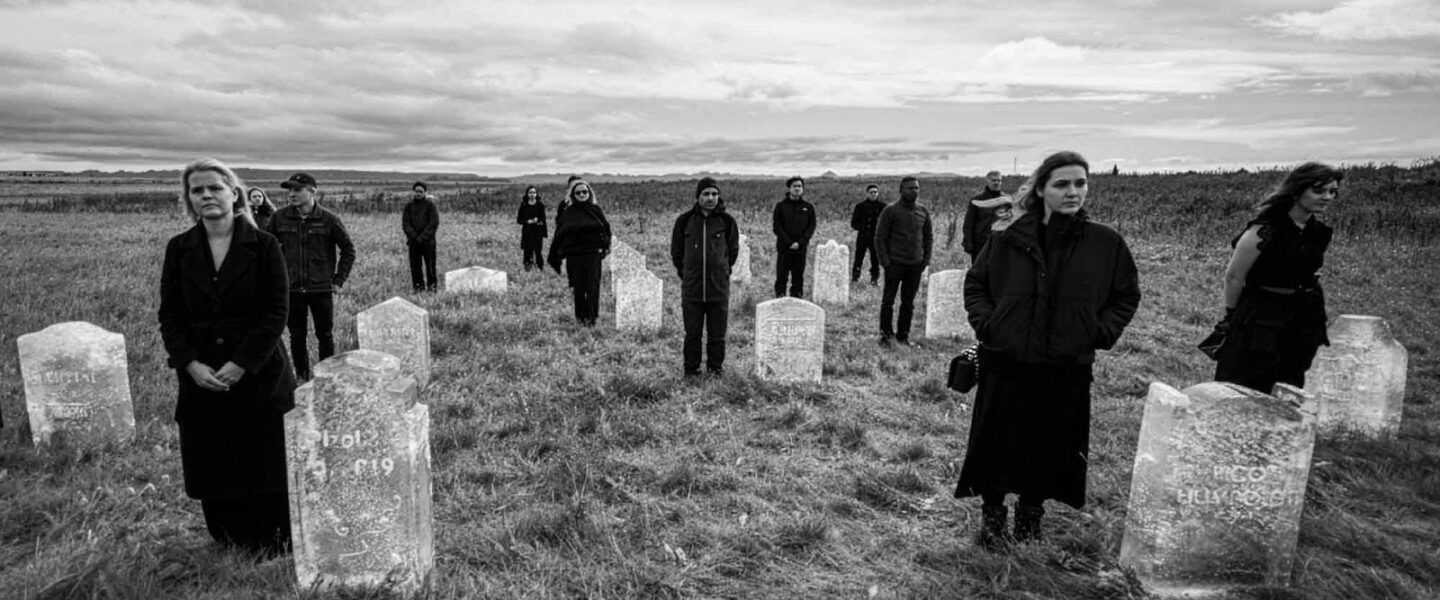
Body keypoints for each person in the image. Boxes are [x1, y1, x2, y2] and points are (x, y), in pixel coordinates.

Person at [956, 151, 1141, 549]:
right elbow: (976, 284)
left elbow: (1125, 294)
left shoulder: (1104, 243)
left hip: (1064, 365)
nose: (1073, 191)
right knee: (997, 440)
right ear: (1041, 189)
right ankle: (992, 515)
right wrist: (990, 325)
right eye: (1062, 184)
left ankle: (1030, 515)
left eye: (1080, 183)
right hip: (1007, 359)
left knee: (1046, 442)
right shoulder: (1008, 237)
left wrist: (1099, 332)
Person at [159, 158, 295, 556]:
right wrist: (189, 363)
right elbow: (170, 314)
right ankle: (228, 538)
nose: (206, 196)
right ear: (189, 199)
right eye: (197, 190)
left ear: (233, 193)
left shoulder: (264, 244)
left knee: (264, 454)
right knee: (215, 456)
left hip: (259, 370)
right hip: (202, 373)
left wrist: (241, 363)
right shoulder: (179, 248)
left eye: (214, 188)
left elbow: (276, 311)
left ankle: (275, 541)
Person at [1212, 162, 1341, 393]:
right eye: (1319, 190)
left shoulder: (1318, 232)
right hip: (1263, 315)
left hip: (1304, 316)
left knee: (1291, 380)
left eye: (1332, 191)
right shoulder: (1265, 229)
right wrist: (1231, 315)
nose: (1327, 197)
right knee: (1248, 379)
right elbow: (1234, 276)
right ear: (1298, 189)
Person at [266, 172, 355, 380]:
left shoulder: (329, 220)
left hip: (321, 288)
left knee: (325, 335)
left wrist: (338, 280)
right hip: (292, 289)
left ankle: (327, 377)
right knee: (297, 336)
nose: (291, 194)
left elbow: (348, 250)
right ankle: (303, 377)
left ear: (312, 191)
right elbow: (267, 251)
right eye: (289, 190)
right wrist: (275, 281)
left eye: (297, 190)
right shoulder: (279, 218)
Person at [670, 177, 740, 379]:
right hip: (692, 288)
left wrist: (723, 270)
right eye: (706, 194)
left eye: (714, 194)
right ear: (698, 196)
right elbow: (676, 252)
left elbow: (733, 251)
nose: (711, 198)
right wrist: (686, 273)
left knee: (717, 334)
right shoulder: (684, 221)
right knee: (692, 333)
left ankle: (715, 369)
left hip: (718, 287)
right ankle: (691, 370)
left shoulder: (727, 221)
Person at [874, 176, 933, 346]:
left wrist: (925, 261)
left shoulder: (923, 211)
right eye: (910, 188)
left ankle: (903, 336)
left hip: (915, 265)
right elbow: (880, 238)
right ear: (901, 190)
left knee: (908, 303)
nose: (914, 191)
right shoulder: (890, 211)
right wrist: (886, 262)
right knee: (888, 301)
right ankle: (886, 336)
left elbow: (928, 238)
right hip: (894, 264)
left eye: (916, 188)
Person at [547, 179, 611, 326]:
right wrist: (557, 256)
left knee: (593, 287)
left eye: (584, 192)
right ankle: (581, 318)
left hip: (592, 255)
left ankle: (592, 318)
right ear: (573, 195)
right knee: (579, 288)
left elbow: (606, 230)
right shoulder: (568, 212)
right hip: (574, 256)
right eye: (578, 193)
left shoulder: (596, 210)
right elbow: (560, 234)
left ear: (589, 193)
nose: (582, 194)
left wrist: (605, 247)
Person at [772, 176, 816, 298]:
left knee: (798, 276)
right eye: (795, 186)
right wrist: (789, 242)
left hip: (801, 249)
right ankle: (780, 298)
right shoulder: (781, 206)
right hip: (784, 248)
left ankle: (797, 298)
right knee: (782, 276)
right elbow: (777, 227)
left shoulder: (808, 207)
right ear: (789, 188)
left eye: (800, 186)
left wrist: (801, 242)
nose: (797, 188)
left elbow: (811, 226)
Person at [402, 181, 440, 292]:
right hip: (414, 243)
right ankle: (418, 288)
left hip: (428, 243)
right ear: (413, 192)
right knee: (415, 267)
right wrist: (414, 237)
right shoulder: (408, 207)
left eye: (421, 191)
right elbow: (406, 224)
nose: (418, 193)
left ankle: (432, 288)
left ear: (425, 192)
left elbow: (434, 223)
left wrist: (423, 237)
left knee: (430, 266)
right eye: (416, 191)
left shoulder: (430, 206)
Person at [960, 170, 1005, 261]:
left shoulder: (1006, 201)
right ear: (987, 181)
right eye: (993, 180)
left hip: (1000, 245)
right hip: (980, 245)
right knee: (979, 274)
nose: (996, 183)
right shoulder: (977, 200)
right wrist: (968, 244)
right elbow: (968, 224)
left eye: (999, 180)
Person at [850, 184, 885, 285]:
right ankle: (855, 278)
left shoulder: (883, 207)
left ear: (878, 193)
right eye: (871, 192)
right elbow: (853, 223)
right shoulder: (860, 206)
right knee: (858, 258)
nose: (873, 194)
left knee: (875, 259)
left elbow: (886, 223)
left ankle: (874, 279)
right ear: (867, 194)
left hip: (876, 238)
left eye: (875, 192)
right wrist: (863, 228)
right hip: (863, 237)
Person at [516, 186, 548, 271]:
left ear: (536, 194)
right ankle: (528, 268)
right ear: (527, 194)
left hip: (537, 231)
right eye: (530, 192)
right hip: (527, 231)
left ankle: (540, 268)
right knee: (527, 250)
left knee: (538, 251)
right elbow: (519, 220)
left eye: (534, 192)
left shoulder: (540, 204)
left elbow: (543, 219)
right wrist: (527, 221)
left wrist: (544, 231)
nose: (532, 194)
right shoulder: (524, 205)